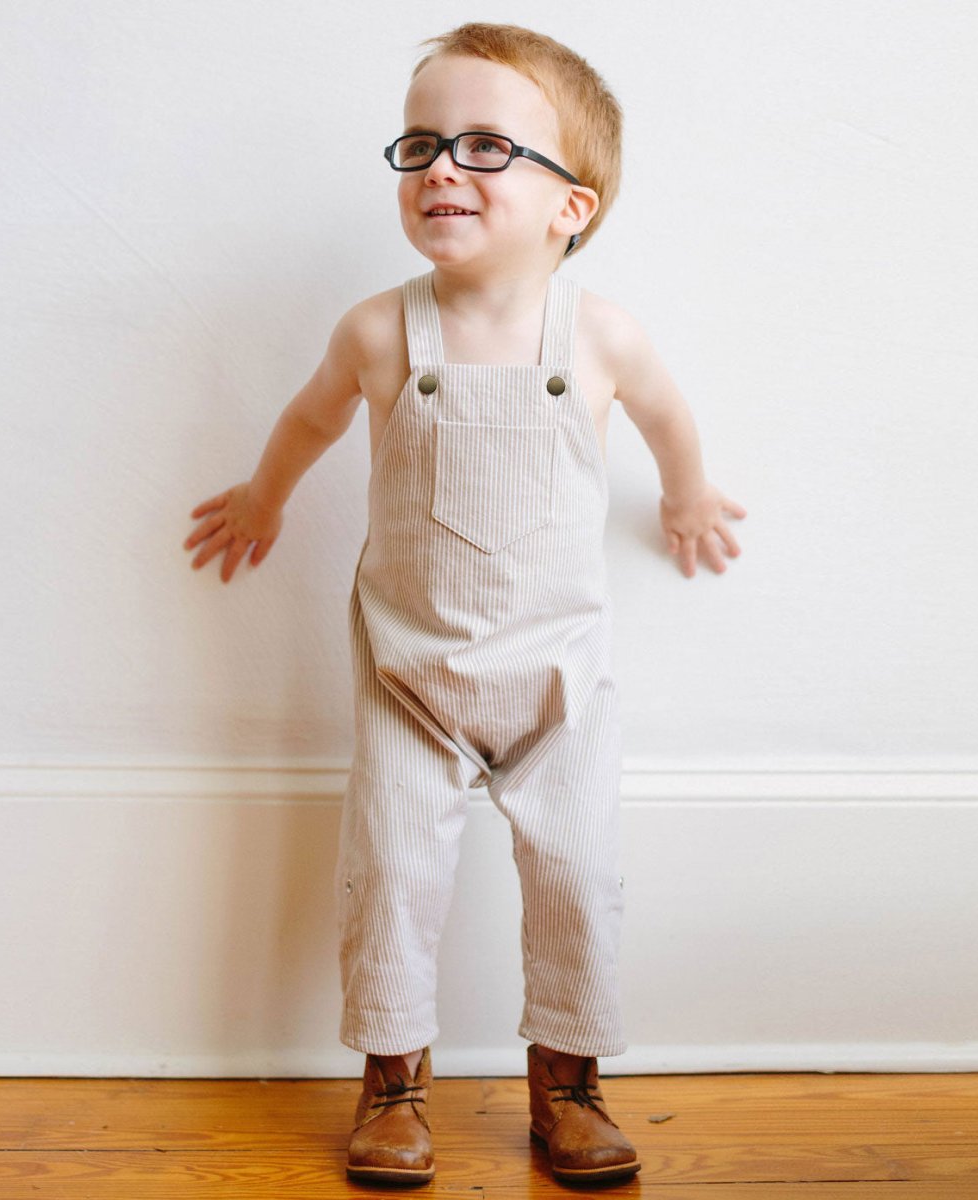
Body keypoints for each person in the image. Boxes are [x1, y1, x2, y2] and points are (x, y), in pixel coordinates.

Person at [184, 21, 745, 1188]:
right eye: (422, 144)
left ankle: (569, 1079)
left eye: (488, 146)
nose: (442, 166)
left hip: (560, 681)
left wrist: (686, 497)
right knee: (388, 872)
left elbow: (666, 418)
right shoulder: (381, 331)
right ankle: (393, 1081)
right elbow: (307, 421)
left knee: (580, 877)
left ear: (569, 208)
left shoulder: (599, 335)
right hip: (409, 676)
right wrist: (261, 494)